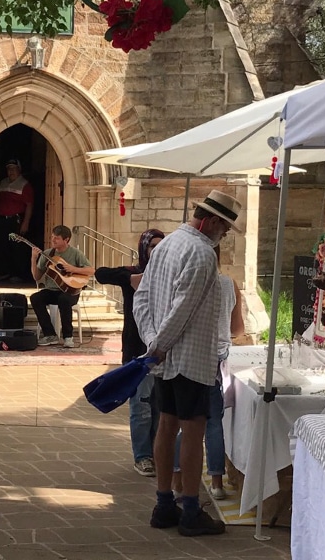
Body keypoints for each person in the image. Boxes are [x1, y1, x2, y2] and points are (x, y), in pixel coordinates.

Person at [133, 189, 242, 537]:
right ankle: (190, 509)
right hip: (189, 357)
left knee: (166, 424)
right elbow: (184, 307)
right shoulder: (201, 252)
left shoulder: (167, 244)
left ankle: (165, 503)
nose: (223, 235)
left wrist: (152, 341)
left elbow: (143, 297)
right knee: (192, 430)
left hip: (165, 356)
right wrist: (160, 345)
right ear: (209, 221)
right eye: (224, 228)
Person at [171, 243, 245, 499]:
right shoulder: (228, 284)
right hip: (216, 356)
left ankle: (178, 482)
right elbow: (238, 329)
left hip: (189, 356)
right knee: (214, 421)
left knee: (183, 420)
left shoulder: (184, 282)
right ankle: (216, 483)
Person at [95, 229, 165, 477]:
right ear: (144, 249)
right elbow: (100, 274)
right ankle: (143, 457)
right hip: (138, 349)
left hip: (164, 350)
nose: (156, 250)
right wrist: (128, 276)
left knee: (159, 407)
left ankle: (158, 453)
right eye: (152, 246)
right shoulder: (135, 274)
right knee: (141, 406)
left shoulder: (167, 275)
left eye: (161, 245)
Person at [29, 225, 92, 348]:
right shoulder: (47, 254)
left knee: (64, 299)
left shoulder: (75, 253)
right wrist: (33, 259)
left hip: (71, 291)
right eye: (52, 237)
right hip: (51, 290)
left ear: (66, 240)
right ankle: (50, 335)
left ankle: (68, 337)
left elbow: (91, 270)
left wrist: (72, 268)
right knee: (35, 298)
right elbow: (36, 277)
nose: (53, 240)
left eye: (56, 238)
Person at [0, 159, 34, 282]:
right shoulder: (3, 183)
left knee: (16, 247)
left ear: (19, 170)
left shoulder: (25, 184)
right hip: (1, 219)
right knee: (0, 246)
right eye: (9, 168)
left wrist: (26, 223)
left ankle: (18, 275)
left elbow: (29, 205)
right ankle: (3, 272)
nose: (11, 171)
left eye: (13, 168)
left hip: (15, 220)